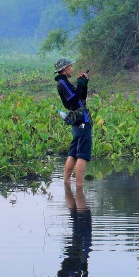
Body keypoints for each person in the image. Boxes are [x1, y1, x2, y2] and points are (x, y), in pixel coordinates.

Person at [54, 57, 92, 187]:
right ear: (65, 69)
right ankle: (79, 185)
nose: (72, 69)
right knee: (82, 154)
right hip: (81, 121)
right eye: (70, 66)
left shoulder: (65, 82)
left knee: (74, 152)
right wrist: (80, 84)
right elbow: (73, 100)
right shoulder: (62, 83)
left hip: (78, 121)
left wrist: (84, 84)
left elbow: (81, 96)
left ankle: (67, 183)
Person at [55, 182, 92, 277]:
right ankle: (71, 188)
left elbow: (75, 267)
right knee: (78, 216)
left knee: (82, 217)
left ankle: (74, 188)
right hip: (78, 249)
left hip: (79, 248)